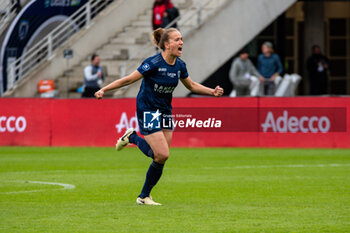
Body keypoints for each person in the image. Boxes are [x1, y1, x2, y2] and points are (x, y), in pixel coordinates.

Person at [95, 28, 224, 205]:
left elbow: (192, 86)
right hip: (148, 109)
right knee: (162, 154)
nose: (181, 42)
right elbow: (127, 80)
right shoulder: (153, 63)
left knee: (160, 156)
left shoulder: (180, 65)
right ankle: (132, 138)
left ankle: (144, 196)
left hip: (165, 110)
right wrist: (104, 89)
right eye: (177, 39)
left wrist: (212, 92)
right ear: (166, 44)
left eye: (181, 39)